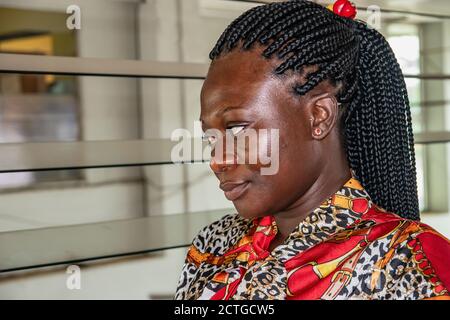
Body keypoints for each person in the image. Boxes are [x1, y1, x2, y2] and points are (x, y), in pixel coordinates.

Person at [174, 0, 450, 300]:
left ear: (319, 116)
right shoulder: (213, 247)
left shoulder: (408, 267)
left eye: (238, 129)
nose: (218, 160)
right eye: (210, 136)